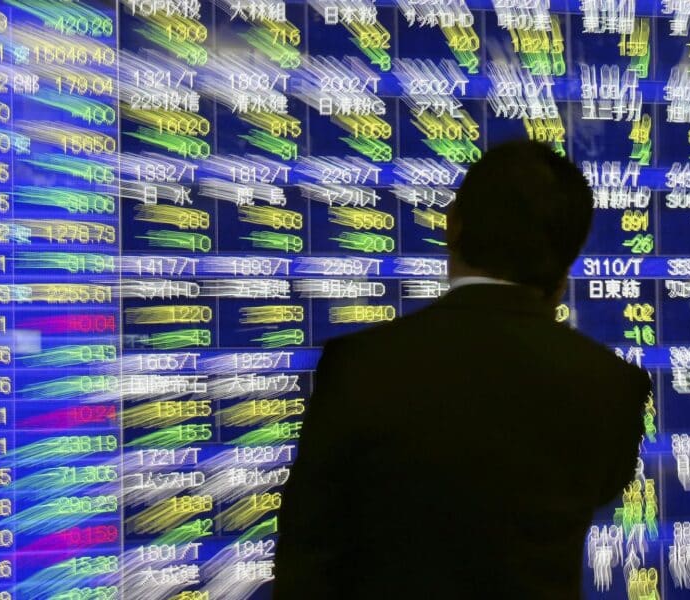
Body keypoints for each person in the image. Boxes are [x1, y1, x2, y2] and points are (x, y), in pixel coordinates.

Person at [273, 140, 652, 599]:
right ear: (570, 255)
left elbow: (306, 553)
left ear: (452, 225)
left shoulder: (361, 366)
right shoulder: (613, 385)